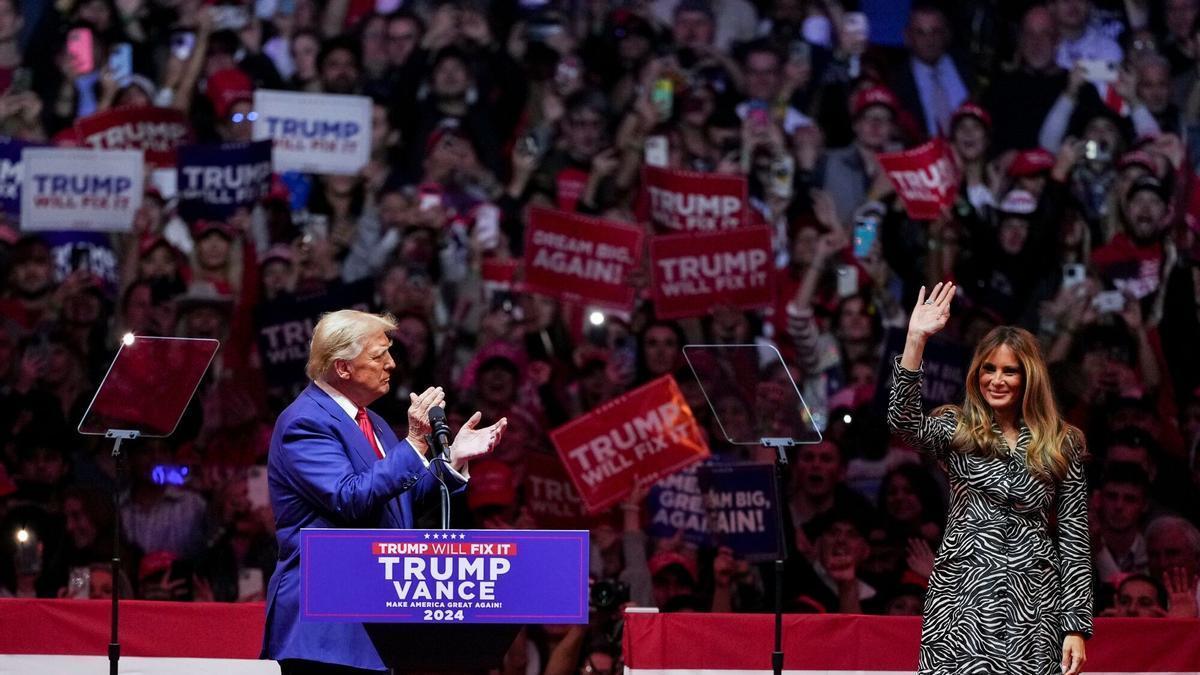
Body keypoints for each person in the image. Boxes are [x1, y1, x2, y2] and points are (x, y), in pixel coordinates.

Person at [262, 309, 507, 674]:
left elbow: (396, 500)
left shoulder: (371, 420)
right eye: (379, 355)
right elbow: (348, 498)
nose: (392, 364)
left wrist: (452, 461)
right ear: (343, 367)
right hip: (325, 624)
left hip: (378, 618)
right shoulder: (305, 421)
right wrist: (412, 444)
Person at [887, 282, 1092, 675]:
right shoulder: (956, 428)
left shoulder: (1062, 443)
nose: (996, 380)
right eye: (989, 369)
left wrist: (1076, 627)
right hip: (961, 598)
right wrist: (915, 340)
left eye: (1009, 371)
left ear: (1029, 377)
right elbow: (904, 421)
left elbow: (1074, 537)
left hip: (1032, 604)